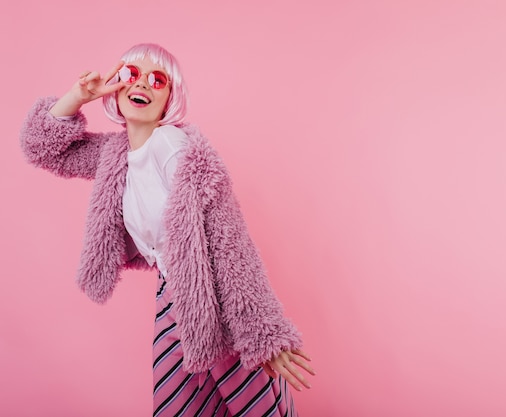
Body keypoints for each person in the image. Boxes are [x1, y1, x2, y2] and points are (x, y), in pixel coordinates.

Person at [20, 43, 314, 416]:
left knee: (250, 403)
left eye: (157, 80)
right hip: (171, 298)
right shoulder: (115, 153)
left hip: (215, 298)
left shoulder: (174, 147)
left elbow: (228, 238)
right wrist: (78, 96)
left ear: (169, 99)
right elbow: (42, 149)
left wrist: (262, 330)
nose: (141, 84)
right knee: (182, 404)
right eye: (130, 74)